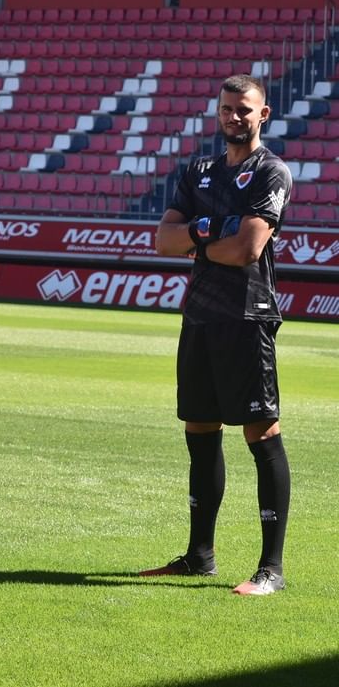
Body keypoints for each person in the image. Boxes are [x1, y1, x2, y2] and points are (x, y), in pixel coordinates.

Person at [144, 74, 292, 596]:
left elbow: (248, 249)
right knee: (200, 433)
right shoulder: (199, 171)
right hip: (200, 317)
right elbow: (162, 239)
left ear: (263, 114)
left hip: (247, 318)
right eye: (227, 108)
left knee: (261, 435)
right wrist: (213, 233)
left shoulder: (271, 171)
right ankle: (198, 556)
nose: (234, 117)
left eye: (244, 109)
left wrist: (197, 240)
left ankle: (271, 569)